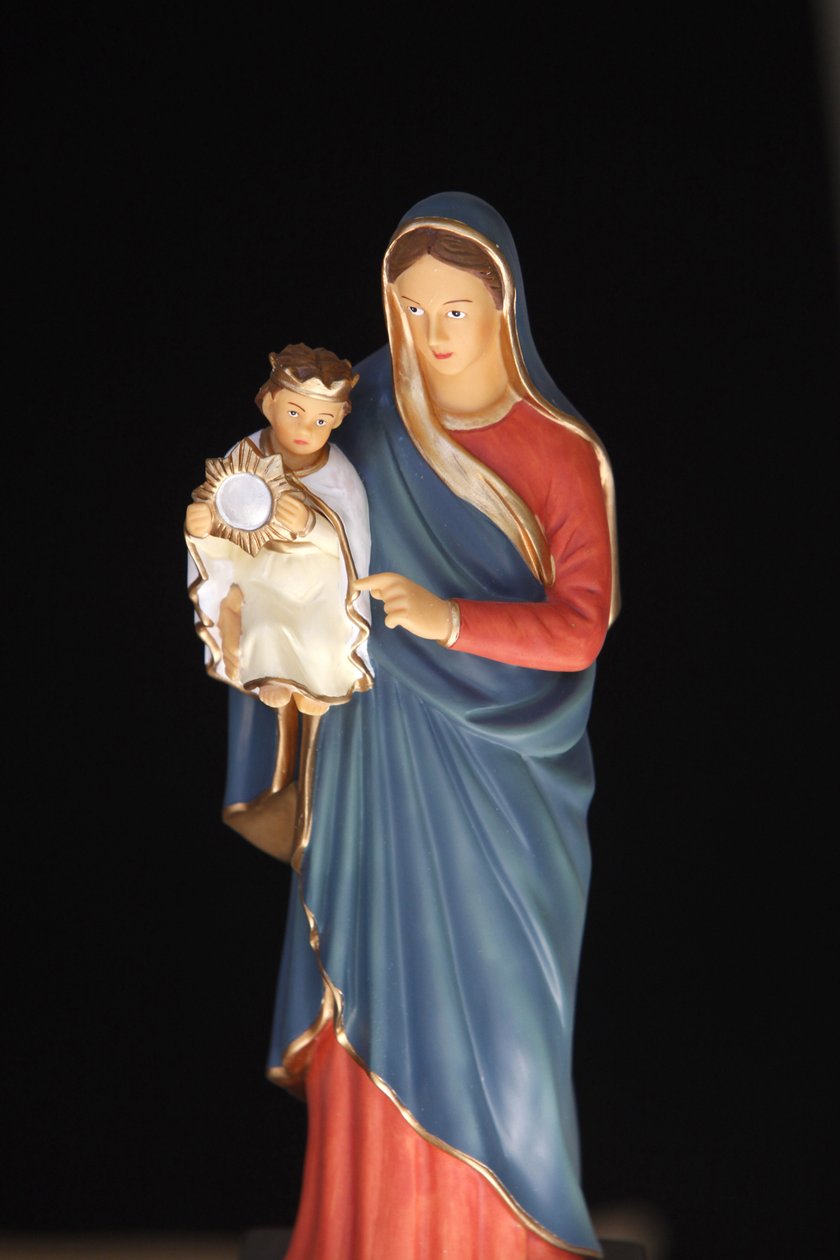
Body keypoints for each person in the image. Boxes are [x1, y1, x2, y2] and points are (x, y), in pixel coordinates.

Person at [236, 194, 620, 1257]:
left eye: (456, 309)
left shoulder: (560, 452)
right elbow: (288, 518)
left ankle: (510, 1237)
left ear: (504, 307)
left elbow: (581, 626)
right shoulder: (360, 414)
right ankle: (366, 1232)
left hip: (508, 783)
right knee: (376, 968)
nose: (433, 333)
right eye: (411, 310)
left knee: (503, 1016)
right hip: (377, 755)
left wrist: (447, 618)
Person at [185, 343, 373, 858]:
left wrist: (310, 525)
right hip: (264, 577)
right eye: (294, 412)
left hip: (319, 584)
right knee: (264, 626)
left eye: (321, 420)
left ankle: (315, 695)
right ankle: (274, 687)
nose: (306, 429)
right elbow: (223, 530)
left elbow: (352, 545)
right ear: (268, 403)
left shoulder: (339, 477)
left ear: (338, 420)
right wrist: (202, 530)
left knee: (319, 635)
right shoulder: (242, 460)